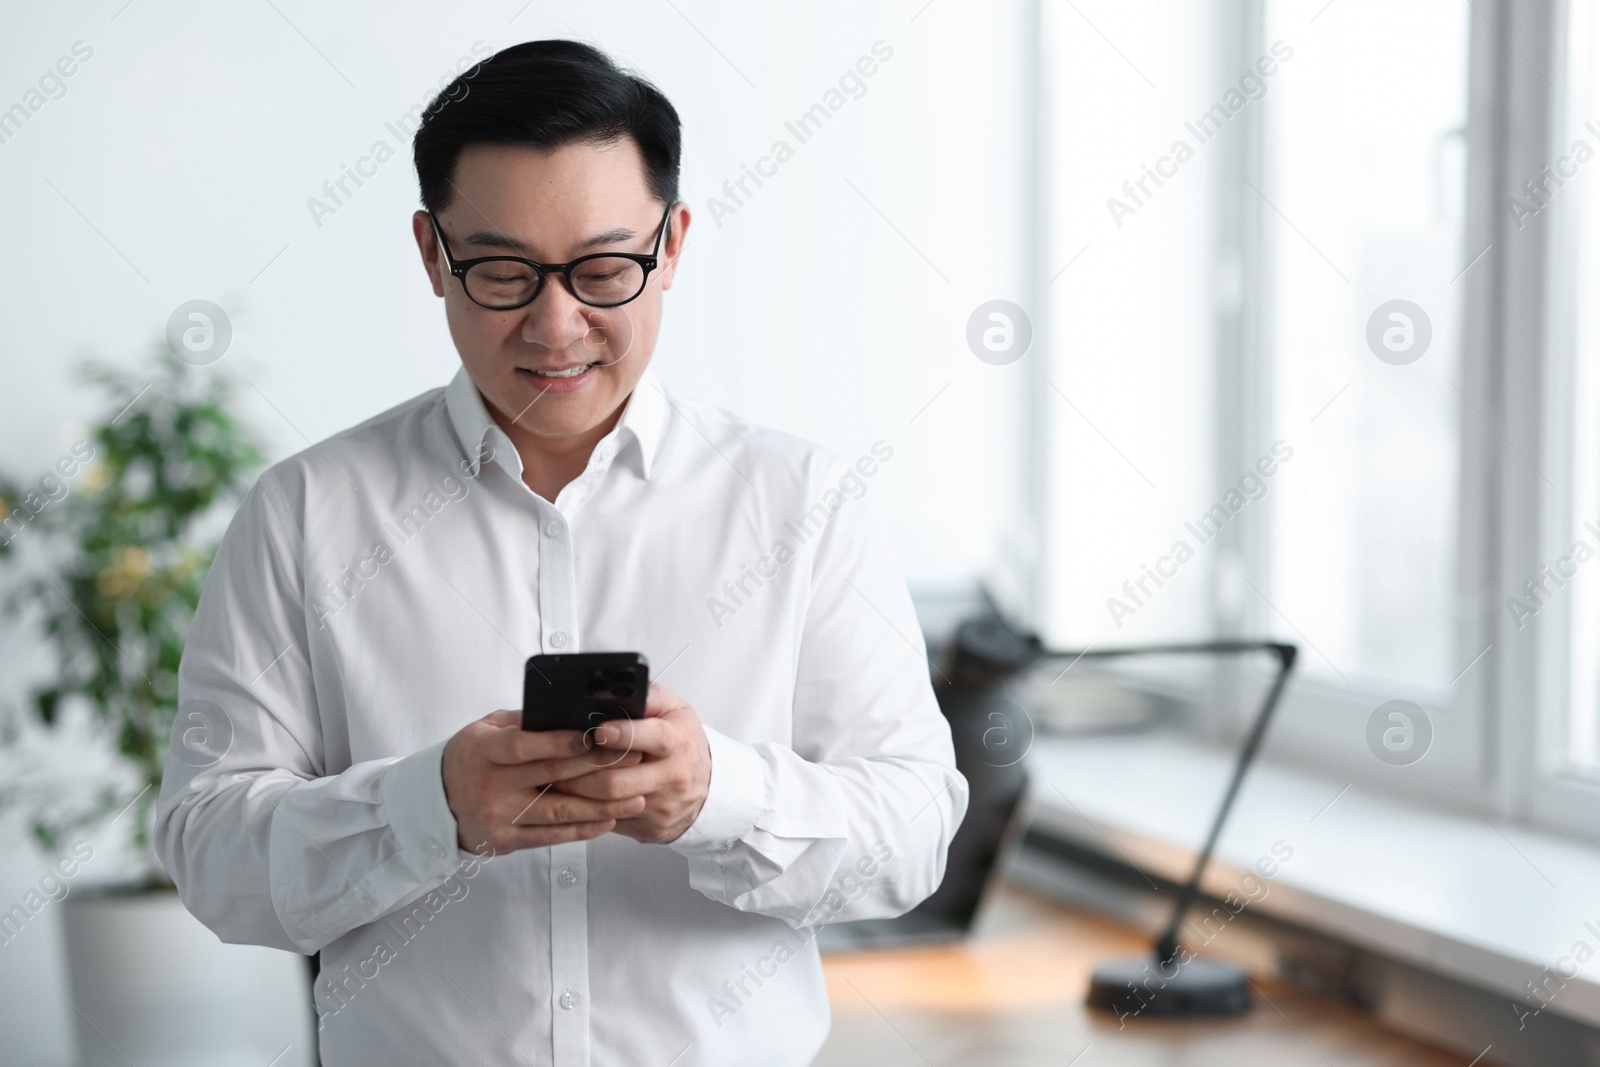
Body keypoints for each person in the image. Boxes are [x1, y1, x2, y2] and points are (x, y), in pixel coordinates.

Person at [155, 39, 967, 1067]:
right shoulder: (305, 511)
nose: (553, 323)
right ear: (429, 252)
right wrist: (429, 807)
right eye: (500, 270)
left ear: (671, 246)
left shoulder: (800, 503)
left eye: (600, 267)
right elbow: (211, 852)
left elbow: (911, 831)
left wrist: (718, 793)